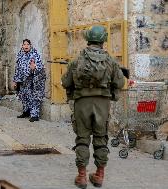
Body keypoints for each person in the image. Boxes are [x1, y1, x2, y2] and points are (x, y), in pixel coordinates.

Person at [61, 25, 125, 188]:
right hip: (102, 104)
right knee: (101, 138)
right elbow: (120, 82)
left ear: (88, 39)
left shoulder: (77, 60)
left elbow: (65, 82)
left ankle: (82, 177)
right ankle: (99, 175)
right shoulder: (110, 60)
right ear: (103, 40)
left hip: (82, 103)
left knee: (82, 139)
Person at [12, 39, 46, 122]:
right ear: (22, 46)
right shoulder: (20, 54)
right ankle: (26, 112)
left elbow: (40, 66)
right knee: (24, 96)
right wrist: (15, 80)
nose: (26, 46)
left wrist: (35, 68)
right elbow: (17, 68)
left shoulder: (35, 54)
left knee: (34, 97)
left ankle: (35, 115)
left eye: (28, 44)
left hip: (33, 80)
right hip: (23, 81)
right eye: (24, 44)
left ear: (30, 45)